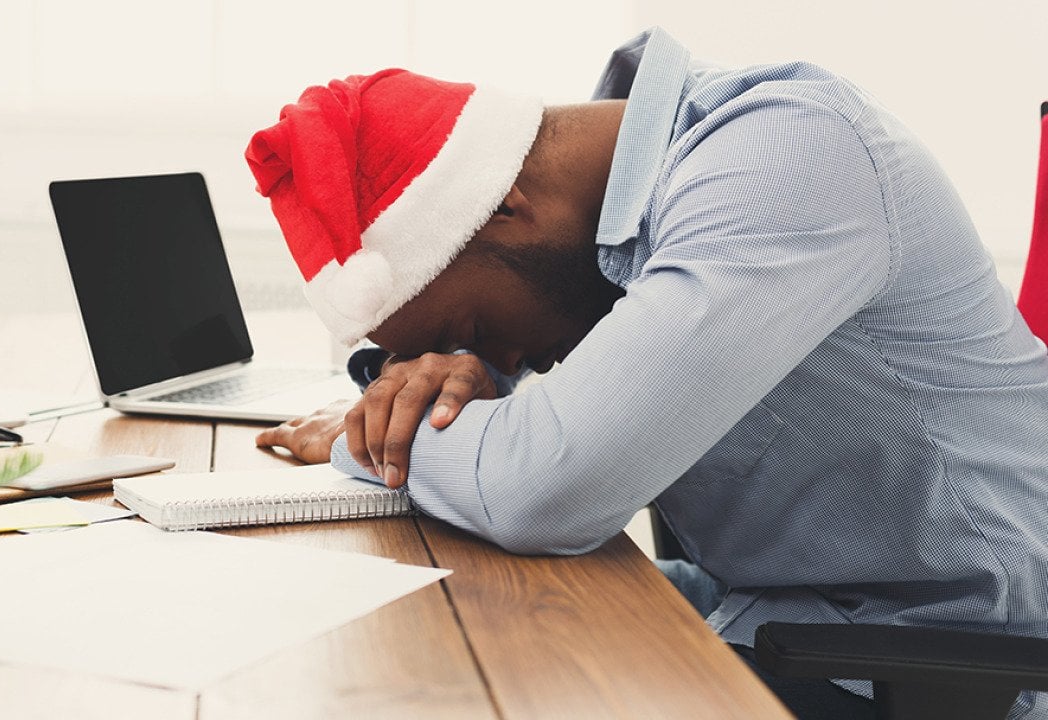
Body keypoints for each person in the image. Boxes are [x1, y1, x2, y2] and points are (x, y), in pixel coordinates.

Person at [244, 27, 1048, 719]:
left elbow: (544, 488)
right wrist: (448, 387)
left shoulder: (786, 155)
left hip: (931, 666)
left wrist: (366, 445)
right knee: (422, 639)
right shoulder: (612, 206)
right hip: (780, 614)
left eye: (477, 334)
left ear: (503, 207)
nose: (503, 368)